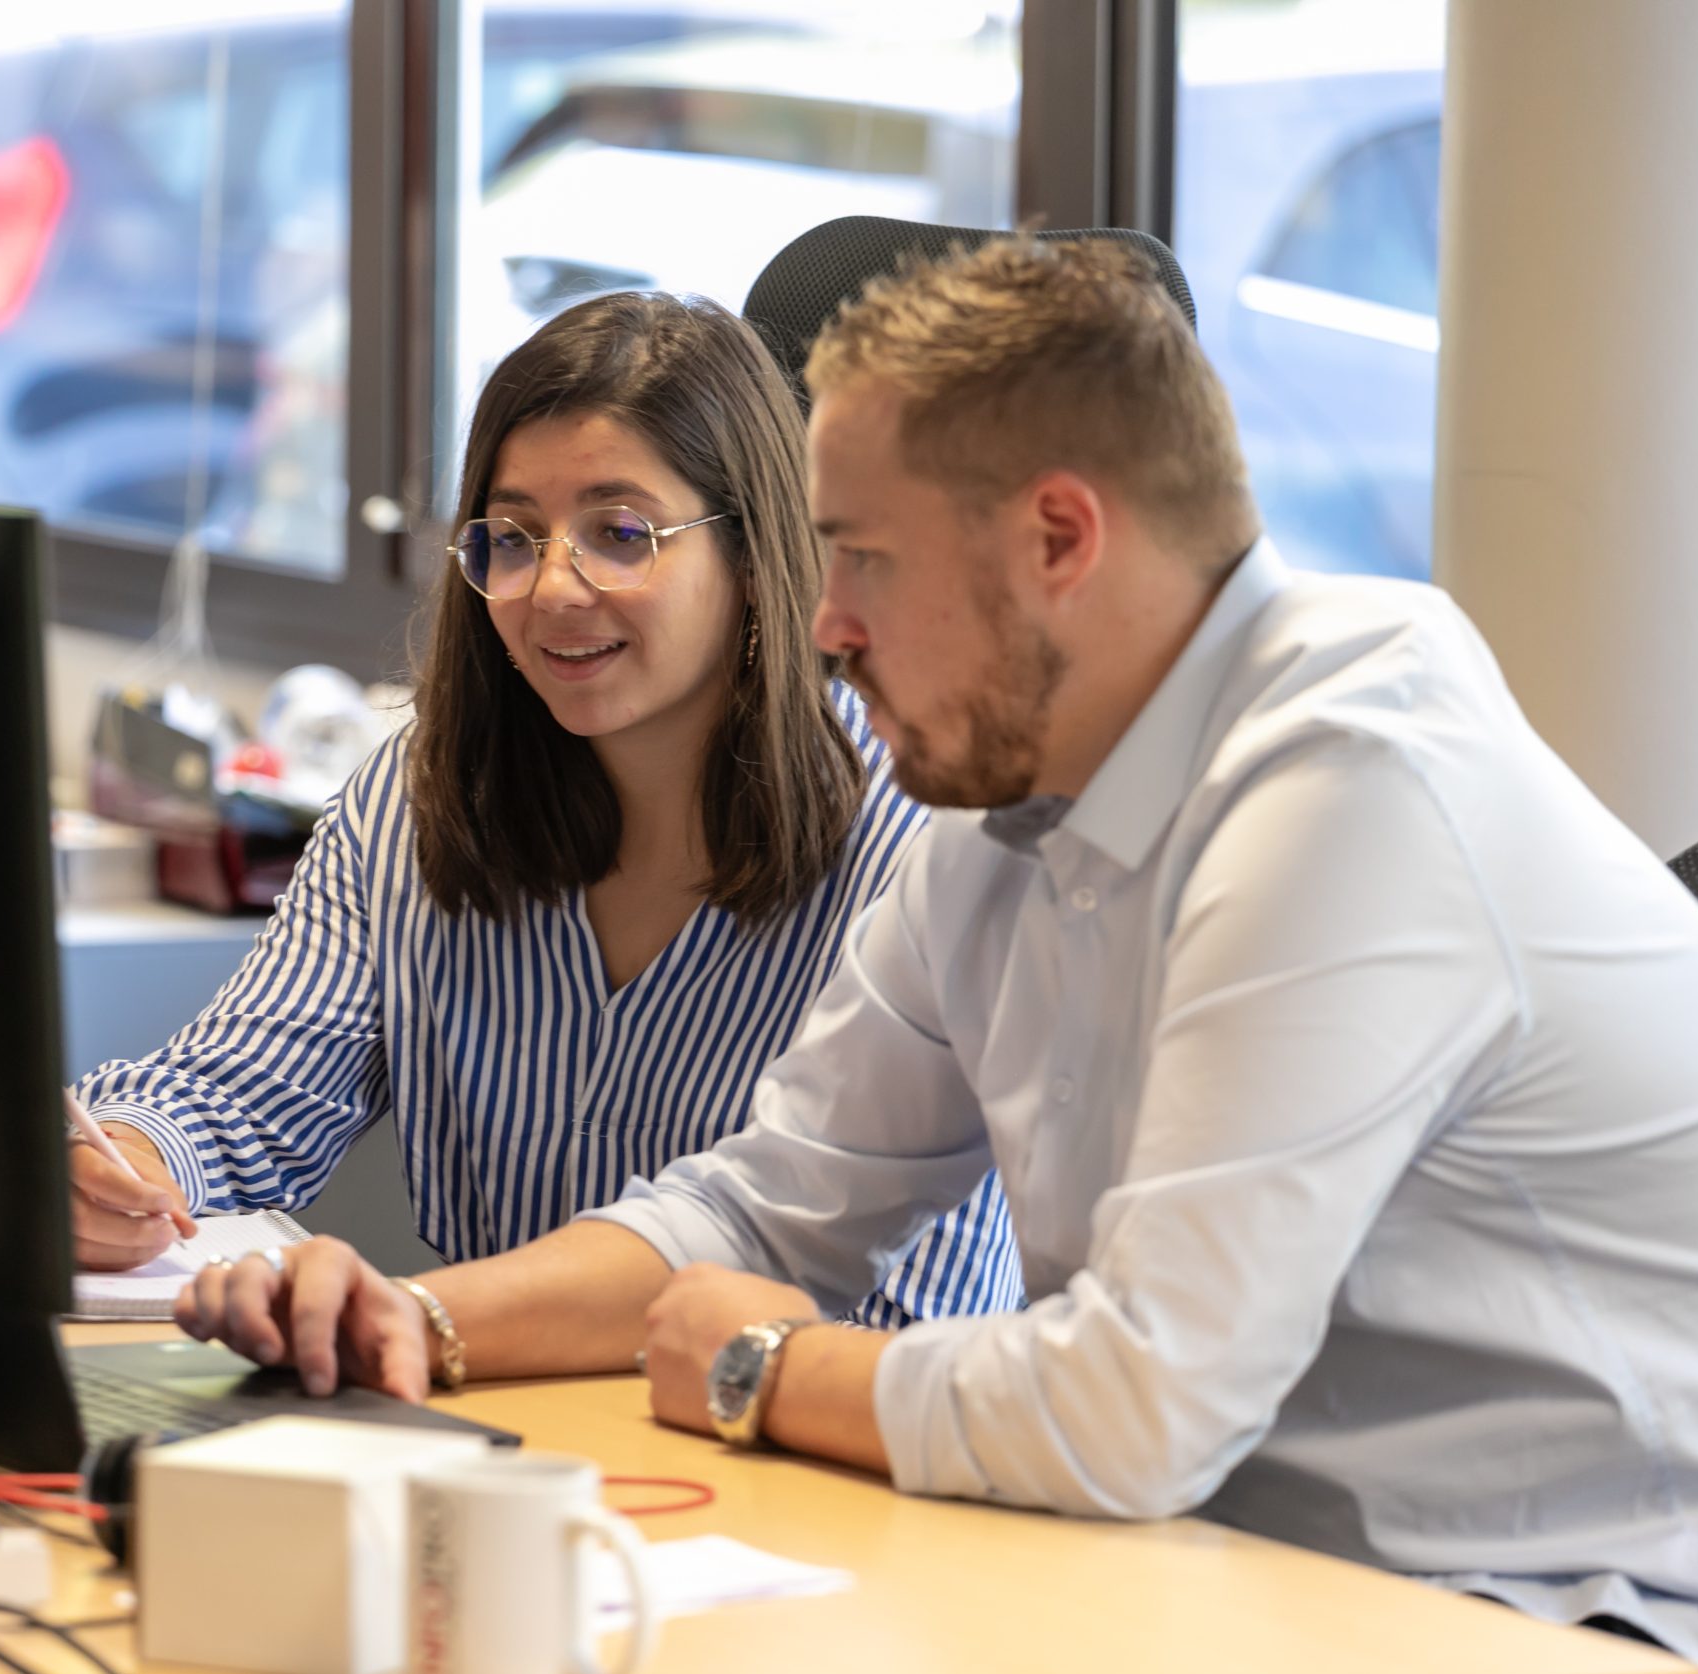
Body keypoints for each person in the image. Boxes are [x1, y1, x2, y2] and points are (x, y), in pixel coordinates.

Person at [177, 239, 1698, 1674]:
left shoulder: (1352, 791)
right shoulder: (1001, 800)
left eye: (860, 560)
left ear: (1058, 539)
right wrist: (411, 1321)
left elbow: (1129, 1409)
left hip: (1604, 1637)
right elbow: (765, 1203)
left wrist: (758, 1364)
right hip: (1280, 1594)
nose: (827, 628)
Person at [71, 291, 1020, 1329]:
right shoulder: (418, 800)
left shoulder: (916, 839)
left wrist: (418, 1318)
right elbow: (243, 1089)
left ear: (752, 556)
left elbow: (900, 1314)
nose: (553, 587)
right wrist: (125, 1156)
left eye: (620, 533)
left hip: (800, 1452)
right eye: (513, 538)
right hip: (496, 1438)